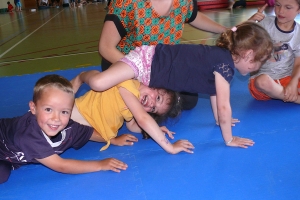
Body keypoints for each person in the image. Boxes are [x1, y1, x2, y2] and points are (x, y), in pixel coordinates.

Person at [75, 21, 273, 148]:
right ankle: (81, 76)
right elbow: (223, 105)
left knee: (125, 105)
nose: (257, 68)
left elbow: (214, 93)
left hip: (151, 70)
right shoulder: (225, 65)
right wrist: (229, 139)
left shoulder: (221, 60)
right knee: (99, 83)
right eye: (258, 62)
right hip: (146, 62)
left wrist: (219, 120)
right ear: (248, 55)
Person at [99, 0, 228, 110]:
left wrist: (224, 30)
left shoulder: (183, 2)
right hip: (124, 64)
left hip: (160, 66)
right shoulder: (127, 3)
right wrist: (139, 73)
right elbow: (105, 48)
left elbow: (193, 16)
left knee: (189, 99)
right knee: (140, 103)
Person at [0, 75, 128, 184]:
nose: (56, 118)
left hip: (7, 157)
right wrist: (100, 165)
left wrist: (112, 140)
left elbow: (88, 133)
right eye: (48, 109)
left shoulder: (68, 127)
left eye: (64, 112)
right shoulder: (29, 136)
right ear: (33, 108)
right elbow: (61, 165)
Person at [71, 76, 195, 152]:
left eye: (153, 109)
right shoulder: (128, 84)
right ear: (151, 83)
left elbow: (131, 125)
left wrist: (154, 129)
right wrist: (171, 148)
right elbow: (142, 119)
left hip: (86, 129)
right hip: (77, 113)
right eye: (157, 98)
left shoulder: (133, 105)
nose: (151, 104)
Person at [248, 1, 300, 103]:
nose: (281, 11)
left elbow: (298, 63)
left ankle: (286, 92)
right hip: (263, 84)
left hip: (287, 78)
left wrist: (293, 83)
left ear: (298, 10)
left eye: (288, 7)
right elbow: (239, 40)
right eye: (277, 5)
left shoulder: (298, 33)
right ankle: (295, 99)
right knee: (262, 81)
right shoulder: (265, 24)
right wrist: (250, 22)